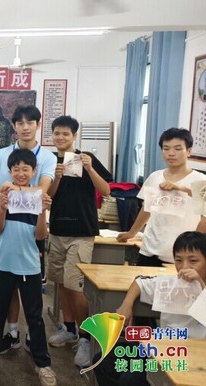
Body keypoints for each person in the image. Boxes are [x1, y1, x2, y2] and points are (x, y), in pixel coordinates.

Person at [0, 105, 57, 343]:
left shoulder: (48, 157)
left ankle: (33, 337)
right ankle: (12, 331)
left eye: (30, 123)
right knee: (8, 284)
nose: (25, 127)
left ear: (38, 125)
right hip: (4, 221)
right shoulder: (2, 153)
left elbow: (42, 190)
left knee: (30, 285)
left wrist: (13, 189)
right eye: (20, 123)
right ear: (14, 126)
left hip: (33, 226)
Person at [0, 149, 56, 386]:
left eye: (26, 169)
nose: (21, 173)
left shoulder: (37, 198)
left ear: (34, 171)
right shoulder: (5, 196)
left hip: (29, 266)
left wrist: (42, 211)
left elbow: (40, 236)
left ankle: (42, 363)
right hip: (2, 262)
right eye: (16, 169)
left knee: (35, 316)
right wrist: (1, 208)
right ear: (10, 171)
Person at [94, 231, 206, 386]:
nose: (184, 267)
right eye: (178, 260)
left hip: (194, 356)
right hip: (162, 348)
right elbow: (140, 282)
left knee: (130, 380)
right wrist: (126, 304)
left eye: (193, 261)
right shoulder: (170, 284)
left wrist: (200, 285)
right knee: (103, 360)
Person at [46, 115, 112, 367]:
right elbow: (48, 197)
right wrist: (57, 177)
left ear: (74, 135)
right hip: (57, 229)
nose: (60, 137)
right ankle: (69, 328)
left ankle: (86, 338)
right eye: (56, 133)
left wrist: (90, 168)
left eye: (65, 133)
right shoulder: (50, 161)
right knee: (61, 282)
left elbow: (106, 190)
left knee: (75, 285)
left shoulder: (86, 158)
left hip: (82, 231)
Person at [118, 128, 206, 265]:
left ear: (189, 151)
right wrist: (132, 232)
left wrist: (181, 188)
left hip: (182, 255)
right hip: (149, 250)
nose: (171, 153)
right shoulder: (155, 177)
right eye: (166, 148)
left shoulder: (200, 180)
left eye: (178, 149)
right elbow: (147, 209)